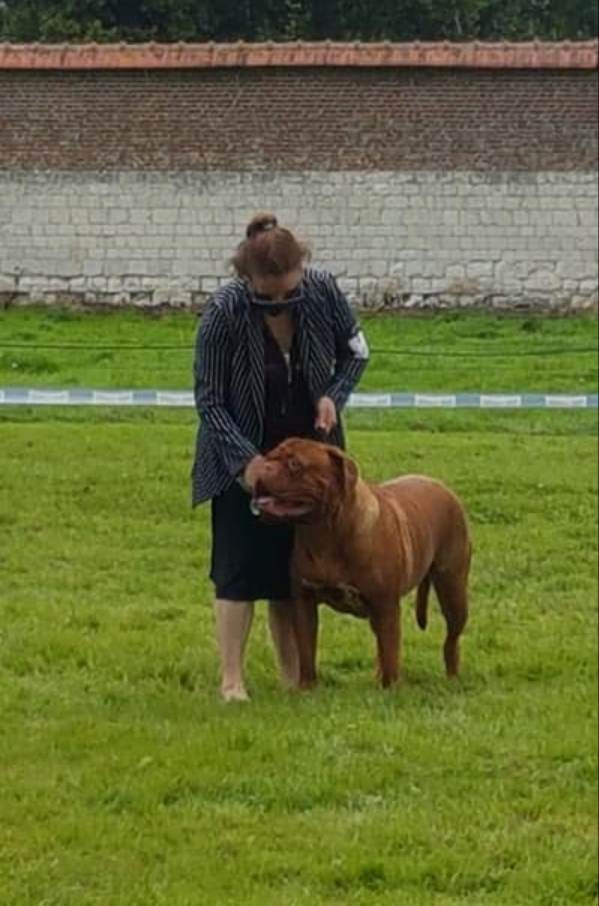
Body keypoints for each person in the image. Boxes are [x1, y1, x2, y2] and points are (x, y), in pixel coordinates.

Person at [192, 213, 369, 701]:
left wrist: (334, 394)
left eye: (287, 294)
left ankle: (296, 678)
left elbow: (357, 353)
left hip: (309, 453)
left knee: (293, 570)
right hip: (239, 452)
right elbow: (208, 399)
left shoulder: (324, 291)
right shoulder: (223, 310)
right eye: (265, 296)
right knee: (238, 567)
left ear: (301, 271)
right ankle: (232, 681)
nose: (277, 305)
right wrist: (245, 463)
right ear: (245, 278)